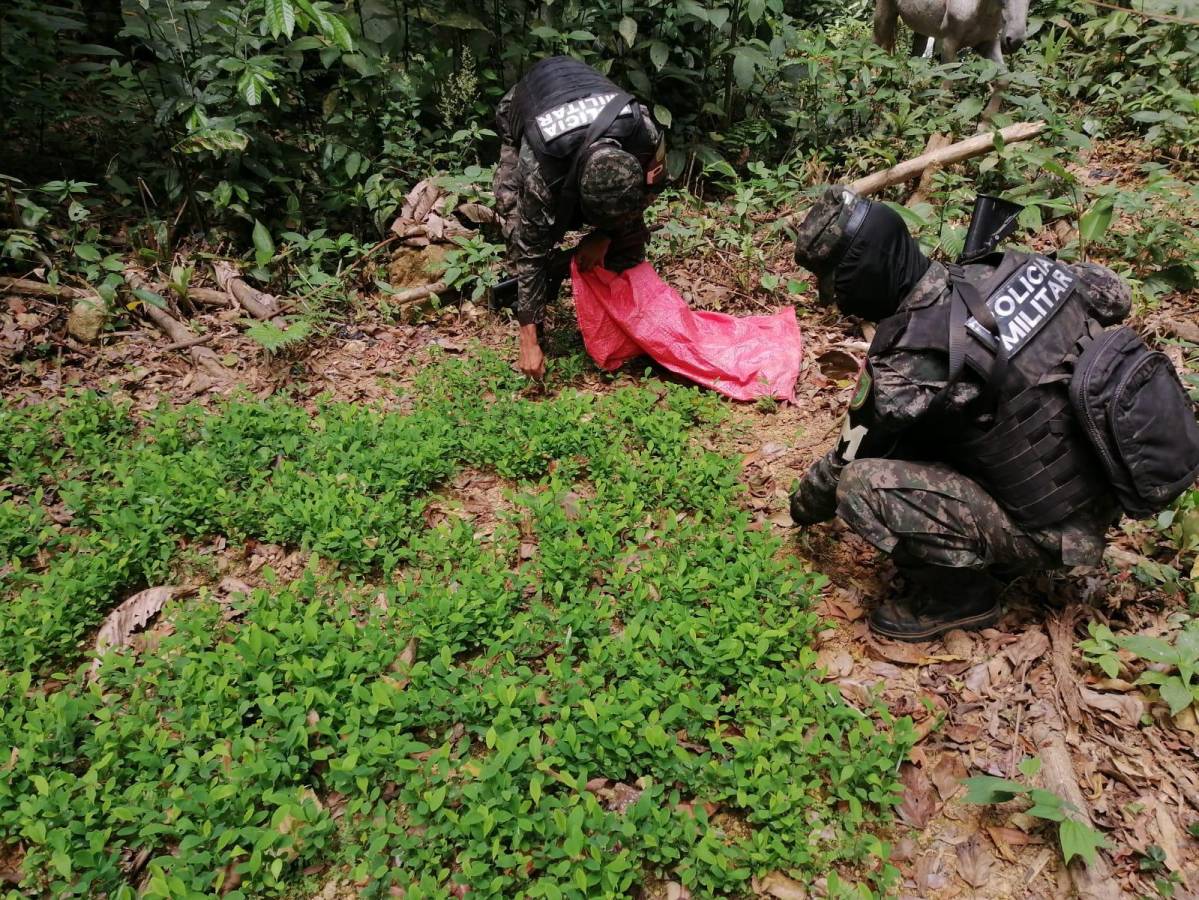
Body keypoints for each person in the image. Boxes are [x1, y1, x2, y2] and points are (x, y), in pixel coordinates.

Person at [789, 186, 1146, 641]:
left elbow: (847, 456)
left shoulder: (907, 362)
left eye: (834, 282)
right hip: (1104, 483)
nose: (832, 300)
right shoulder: (1005, 270)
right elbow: (1116, 295)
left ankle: (960, 597)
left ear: (863, 274)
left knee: (859, 486)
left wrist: (801, 509)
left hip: (1053, 528)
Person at [493, 56, 667, 378]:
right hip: (526, 104)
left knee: (630, 235)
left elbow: (649, 192)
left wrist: (606, 235)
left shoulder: (644, 133)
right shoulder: (541, 169)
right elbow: (530, 253)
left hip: (584, 105)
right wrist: (527, 341)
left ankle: (619, 311)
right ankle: (531, 324)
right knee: (517, 222)